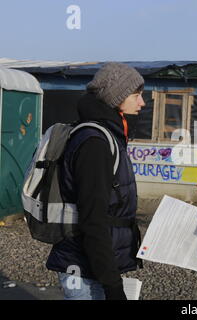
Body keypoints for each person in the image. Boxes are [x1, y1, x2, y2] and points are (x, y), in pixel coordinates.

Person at [46, 62, 146, 300]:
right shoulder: (95, 143)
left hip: (93, 267)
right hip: (85, 272)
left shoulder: (105, 135)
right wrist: (113, 286)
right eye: (136, 95)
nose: (142, 102)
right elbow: (94, 219)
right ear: (115, 97)